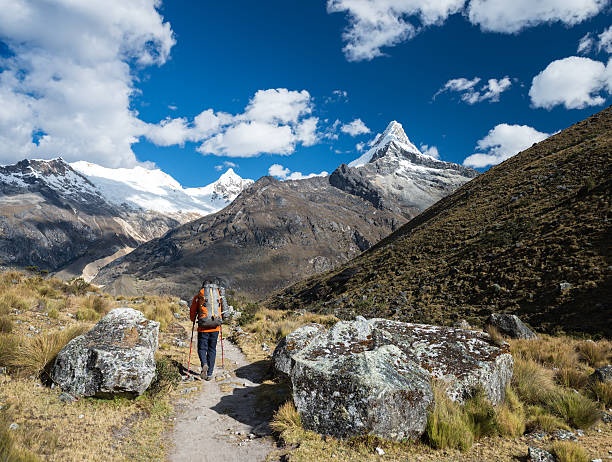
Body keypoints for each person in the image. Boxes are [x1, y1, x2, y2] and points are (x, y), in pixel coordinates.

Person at [190, 279, 225, 381]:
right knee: (212, 349)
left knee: (202, 348)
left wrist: (193, 319)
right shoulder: (218, 294)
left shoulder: (200, 295)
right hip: (216, 327)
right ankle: (209, 374)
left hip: (203, 328)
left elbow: (193, 310)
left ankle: (204, 363)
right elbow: (222, 309)